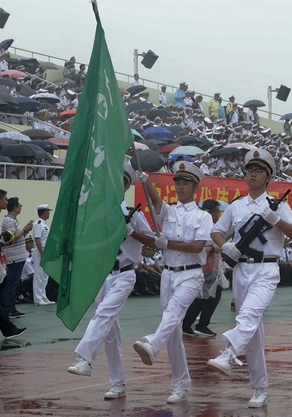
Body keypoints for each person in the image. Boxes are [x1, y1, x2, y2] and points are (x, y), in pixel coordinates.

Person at [207, 148, 292, 408]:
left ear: (268, 176)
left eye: (258, 171)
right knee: (252, 332)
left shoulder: (279, 206)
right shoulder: (237, 206)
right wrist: (224, 246)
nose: (252, 174)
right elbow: (217, 232)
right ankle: (260, 388)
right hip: (241, 269)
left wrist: (277, 221)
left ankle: (228, 353)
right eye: (249, 170)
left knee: (248, 316)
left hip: (266, 269)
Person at [67, 162, 154, 399]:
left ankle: (84, 358)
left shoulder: (133, 214)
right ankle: (118, 383)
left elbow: (152, 240)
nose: (118, 185)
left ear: (127, 186)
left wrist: (131, 231)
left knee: (104, 313)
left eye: (124, 182)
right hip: (102, 274)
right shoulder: (98, 211)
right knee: (111, 334)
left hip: (125, 273)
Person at [132, 161, 213, 404]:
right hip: (168, 273)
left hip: (190, 274)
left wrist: (168, 244)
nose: (180, 187)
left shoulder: (203, 216)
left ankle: (153, 343)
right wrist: (145, 181)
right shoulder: (170, 211)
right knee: (174, 330)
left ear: (195, 186)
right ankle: (180, 385)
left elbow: (198, 246)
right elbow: (156, 202)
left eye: (185, 183)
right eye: (177, 182)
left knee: (174, 312)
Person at [182, 199, 224, 337]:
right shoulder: (205, 226)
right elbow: (199, 247)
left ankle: (192, 324)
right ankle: (194, 324)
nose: (218, 215)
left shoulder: (213, 227)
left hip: (213, 267)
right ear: (211, 212)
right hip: (206, 267)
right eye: (217, 212)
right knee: (204, 297)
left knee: (209, 296)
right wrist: (214, 248)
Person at [0, 189, 26, 339]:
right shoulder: (8, 220)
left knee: (1, 294)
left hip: (2, 261)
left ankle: (8, 328)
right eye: (5, 199)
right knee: (6, 289)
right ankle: (9, 324)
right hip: (11, 259)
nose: (7, 202)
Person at [1, 197, 34, 319]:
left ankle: (12, 308)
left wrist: (25, 231)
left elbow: (17, 236)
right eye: (19, 205)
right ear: (15, 207)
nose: (21, 207)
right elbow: (11, 237)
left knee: (13, 284)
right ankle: (9, 309)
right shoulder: (9, 221)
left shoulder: (13, 220)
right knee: (10, 285)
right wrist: (24, 230)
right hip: (13, 257)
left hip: (18, 257)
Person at [31, 204, 54, 306]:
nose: (49, 213)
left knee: (45, 276)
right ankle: (38, 298)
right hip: (41, 251)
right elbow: (37, 239)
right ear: (45, 212)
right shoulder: (38, 224)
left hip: (46, 251)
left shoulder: (45, 224)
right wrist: (42, 253)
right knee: (39, 275)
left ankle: (43, 296)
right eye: (48, 211)